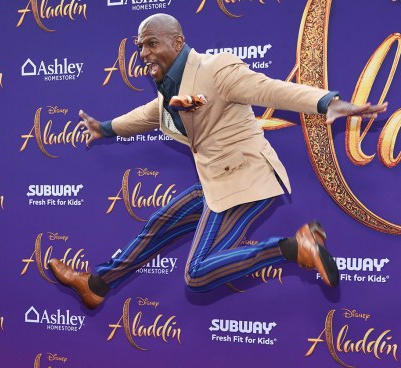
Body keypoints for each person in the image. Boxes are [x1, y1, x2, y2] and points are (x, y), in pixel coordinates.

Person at [49, 13, 388, 309]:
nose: (143, 54)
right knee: (162, 223)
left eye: (151, 44)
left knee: (197, 275)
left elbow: (269, 90)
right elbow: (146, 116)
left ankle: (294, 248)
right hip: (218, 180)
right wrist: (105, 128)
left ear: (177, 41)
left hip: (248, 179)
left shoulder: (216, 68)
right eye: (140, 46)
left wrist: (327, 102)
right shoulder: (170, 89)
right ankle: (96, 286)